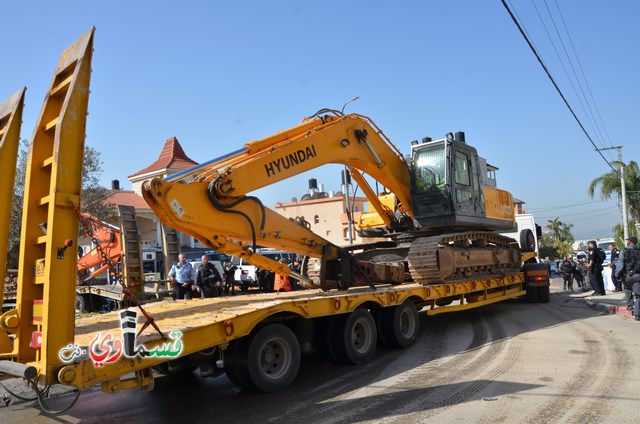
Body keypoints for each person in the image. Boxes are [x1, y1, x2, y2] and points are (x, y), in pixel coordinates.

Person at [615, 236, 640, 318]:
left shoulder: (624, 251)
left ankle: (630, 305)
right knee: (638, 294)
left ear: (630, 242)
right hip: (638, 275)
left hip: (627, 275)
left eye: (628, 241)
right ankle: (637, 314)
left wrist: (617, 274)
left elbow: (620, 265)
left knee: (627, 288)